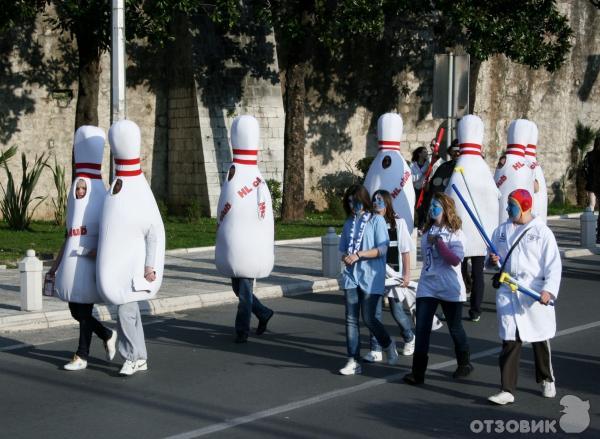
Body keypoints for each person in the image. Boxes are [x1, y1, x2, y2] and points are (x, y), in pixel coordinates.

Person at [96, 120, 166, 376]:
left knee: (125, 314)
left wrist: (150, 265)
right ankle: (141, 356)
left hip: (133, 266)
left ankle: (131, 356)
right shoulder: (124, 187)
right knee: (130, 314)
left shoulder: (131, 189)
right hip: (120, 265)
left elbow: (153, 232)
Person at [49, 126, 116, 371]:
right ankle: (106, 333)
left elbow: (109, 234)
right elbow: (68, 237)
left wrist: (98, 252)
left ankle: (81, 355)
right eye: (77, 188)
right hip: (71, 262)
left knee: (83, 309)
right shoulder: (75, 201)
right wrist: (54, 267)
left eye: (82, 189)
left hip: (89, 262)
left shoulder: (101, 196)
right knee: (76, 310)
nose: (79, 191)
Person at [487, 189, 562, 405]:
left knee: (539, 338)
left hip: (533, 292)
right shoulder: (500, 231)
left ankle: (547, 378)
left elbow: (553, 265)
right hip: (508, 292)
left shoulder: (542, 232)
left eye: (512, 205)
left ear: (525, 207)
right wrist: (493, 260)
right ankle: (507, 389)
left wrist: (548, 290)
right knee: (510, 339)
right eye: (508, 204)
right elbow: (493, 259)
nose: (508, 208)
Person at [214, 115, 275, 344]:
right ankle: (263, 312)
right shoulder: (246, 176)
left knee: (245, 290)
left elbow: (262, 213)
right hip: (237, 242)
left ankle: (242, 330)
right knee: (237, 287)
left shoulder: (251, 179)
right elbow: (226, 207)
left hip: (250, 245)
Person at [403, 192, 473, 385]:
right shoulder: (427, 231)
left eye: (436, 206)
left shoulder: (456, 233)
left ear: (446, 209)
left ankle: (464, 363)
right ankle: (418, 373)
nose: (432, 209)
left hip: (449, 287)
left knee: (455, 327)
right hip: (428, 286)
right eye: (431, 206)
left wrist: (441, 243)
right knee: (422, 328)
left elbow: (455, 260)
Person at [338, 184, 399, 375]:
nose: (352, 205)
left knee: (370, 318)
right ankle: (353, 360)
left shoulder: (376, 220)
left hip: (371, 277)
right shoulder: (349, 222)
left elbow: (382, 249)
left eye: (355, 201)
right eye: (349, 202)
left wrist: (359, 254)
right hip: (351, 276)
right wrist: (346, 257)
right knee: (350, 319)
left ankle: (387, 344)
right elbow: (343, 249)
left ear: (363, 200)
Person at [362, 190, 415, 363]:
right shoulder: (368, 222)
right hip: (374, 275)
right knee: (374, 314)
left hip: (394, 274)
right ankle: (376, 349)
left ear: (387, 203)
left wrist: (406, 274)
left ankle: (409, 337)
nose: (376, 203)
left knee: (397, 311)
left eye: (380, 200)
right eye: (374, 200)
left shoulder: (398, 223)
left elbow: (405, 250)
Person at [411, 146, 430, 229]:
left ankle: (422, 225)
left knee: (425, 207)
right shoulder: (412, 165)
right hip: (415, 189)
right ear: (419, 154)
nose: (426, 153)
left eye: (427, 152)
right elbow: (411, 178)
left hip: (425, 189)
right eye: (424, 152)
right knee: (416, 208)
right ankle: (416, 225)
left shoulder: (428, 164)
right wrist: (421, 173)